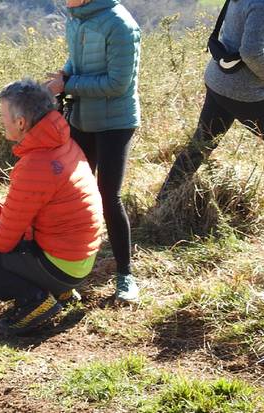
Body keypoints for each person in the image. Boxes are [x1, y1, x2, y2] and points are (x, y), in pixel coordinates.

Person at [0, 79, 104, 335]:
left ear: (21, 122)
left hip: (60, 266)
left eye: (3, 114)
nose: (1, 120)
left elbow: (3, 240)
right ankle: (61, 293)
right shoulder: (61, 143)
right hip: (77, 261)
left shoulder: (36, 164)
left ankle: (35, 300)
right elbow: (30, 208)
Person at [46, 0, 141, 303]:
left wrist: (69, 83)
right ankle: (66, 273)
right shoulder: (77, 18)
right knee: (71, 195)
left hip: (116, 123)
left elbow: (118, 83)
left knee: (107, 195)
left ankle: (125, 276)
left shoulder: (120, 25)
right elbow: (78, 61)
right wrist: (63, 76)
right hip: (83, 119)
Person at [157, 0, 264, 200]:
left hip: (218, 81)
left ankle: (164, 200)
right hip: (244, 91)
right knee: (202, 142)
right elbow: (252, 53)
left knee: (201, 143)